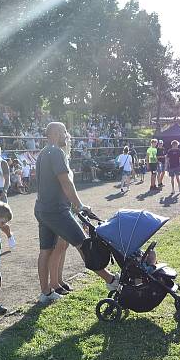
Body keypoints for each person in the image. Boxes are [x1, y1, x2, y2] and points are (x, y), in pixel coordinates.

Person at [34, 122, 119, 303]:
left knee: (46, 250)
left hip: (43, 209)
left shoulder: (42, 153)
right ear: (56, 133)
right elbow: (65, 182)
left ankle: (45, 293)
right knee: (85, 245)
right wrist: (79, 205)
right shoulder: (56, 152)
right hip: (57, 210)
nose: (67, 135)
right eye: (64, 131)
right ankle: (111, 280)